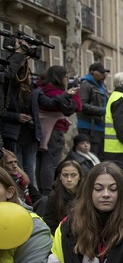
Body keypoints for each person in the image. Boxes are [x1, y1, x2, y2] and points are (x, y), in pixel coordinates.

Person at [35, 65, 82, 195]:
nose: (67, 80)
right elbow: (77, 107)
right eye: (66, 77)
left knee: (41, 162)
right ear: (60, 77)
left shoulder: (41, 89)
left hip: (40, 131)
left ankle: (41, 192)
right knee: (51, 163)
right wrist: (75, 91)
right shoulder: (57, 93)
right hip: (54, 131)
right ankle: (49, 192)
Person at [0, 53, 40, 186]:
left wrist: (65, 97)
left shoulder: (33, 90)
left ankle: (31, 198)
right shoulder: (7, 89)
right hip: (13, 134)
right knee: (17, 169)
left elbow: (48, 102)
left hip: (30, 135)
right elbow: (2, 112)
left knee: (29, 171)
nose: (27, 77)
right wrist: (17, 117)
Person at [77, 62, 110, 158]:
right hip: (89, 127)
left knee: (100, 156)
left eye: (105, 73)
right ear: (92, 72)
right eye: (101, 72)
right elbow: (82, 105)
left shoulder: (102, 86)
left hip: (100, 126)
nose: (104, 75)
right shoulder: (85, 84)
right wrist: (104, 110)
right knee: (92, 155)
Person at [42, 160, 83, 233]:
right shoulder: (54, 197)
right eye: (65, 175)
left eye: (73, 175)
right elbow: (50, 223)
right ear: (60, 177)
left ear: (79, 176)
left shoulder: (88, 194)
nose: (69, 179)